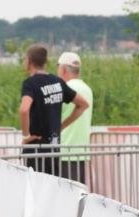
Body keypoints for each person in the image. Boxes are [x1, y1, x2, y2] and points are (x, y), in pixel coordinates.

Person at [19, 44, 89, 175]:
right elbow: (83, 104)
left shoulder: (30, 83)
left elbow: (24, 109)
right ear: (46, 62)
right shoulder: (57, 82)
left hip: (36, 149)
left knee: (37, 189)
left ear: (28, 61)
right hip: (54, 148)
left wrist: (26, 135)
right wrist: (61, 126)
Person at [57, 52, 93, 185]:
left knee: (63, 193)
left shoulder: (65, 89)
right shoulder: (87, 89)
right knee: (78, 192)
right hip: (81, 151)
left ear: (63, 69)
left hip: (64, 150)